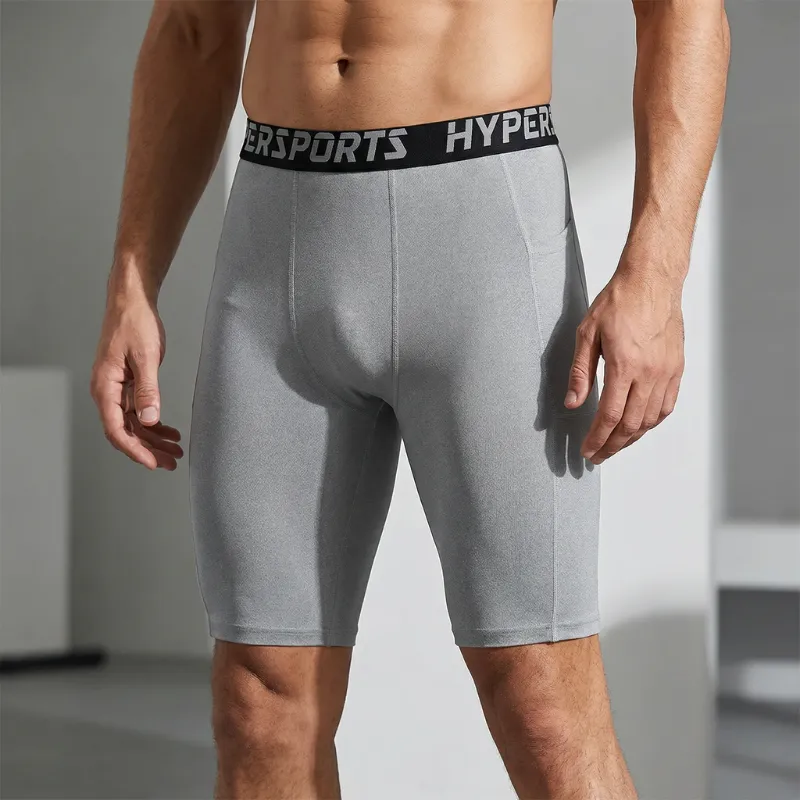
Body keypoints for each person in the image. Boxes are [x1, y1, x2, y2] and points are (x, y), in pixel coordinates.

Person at [90, 0, 729, 796]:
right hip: (275, 239)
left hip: (483, 231)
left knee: (543, 705)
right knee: (259, 705)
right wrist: (133, 277)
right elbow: (192, 27)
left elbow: (683, 12)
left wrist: (657, 273)